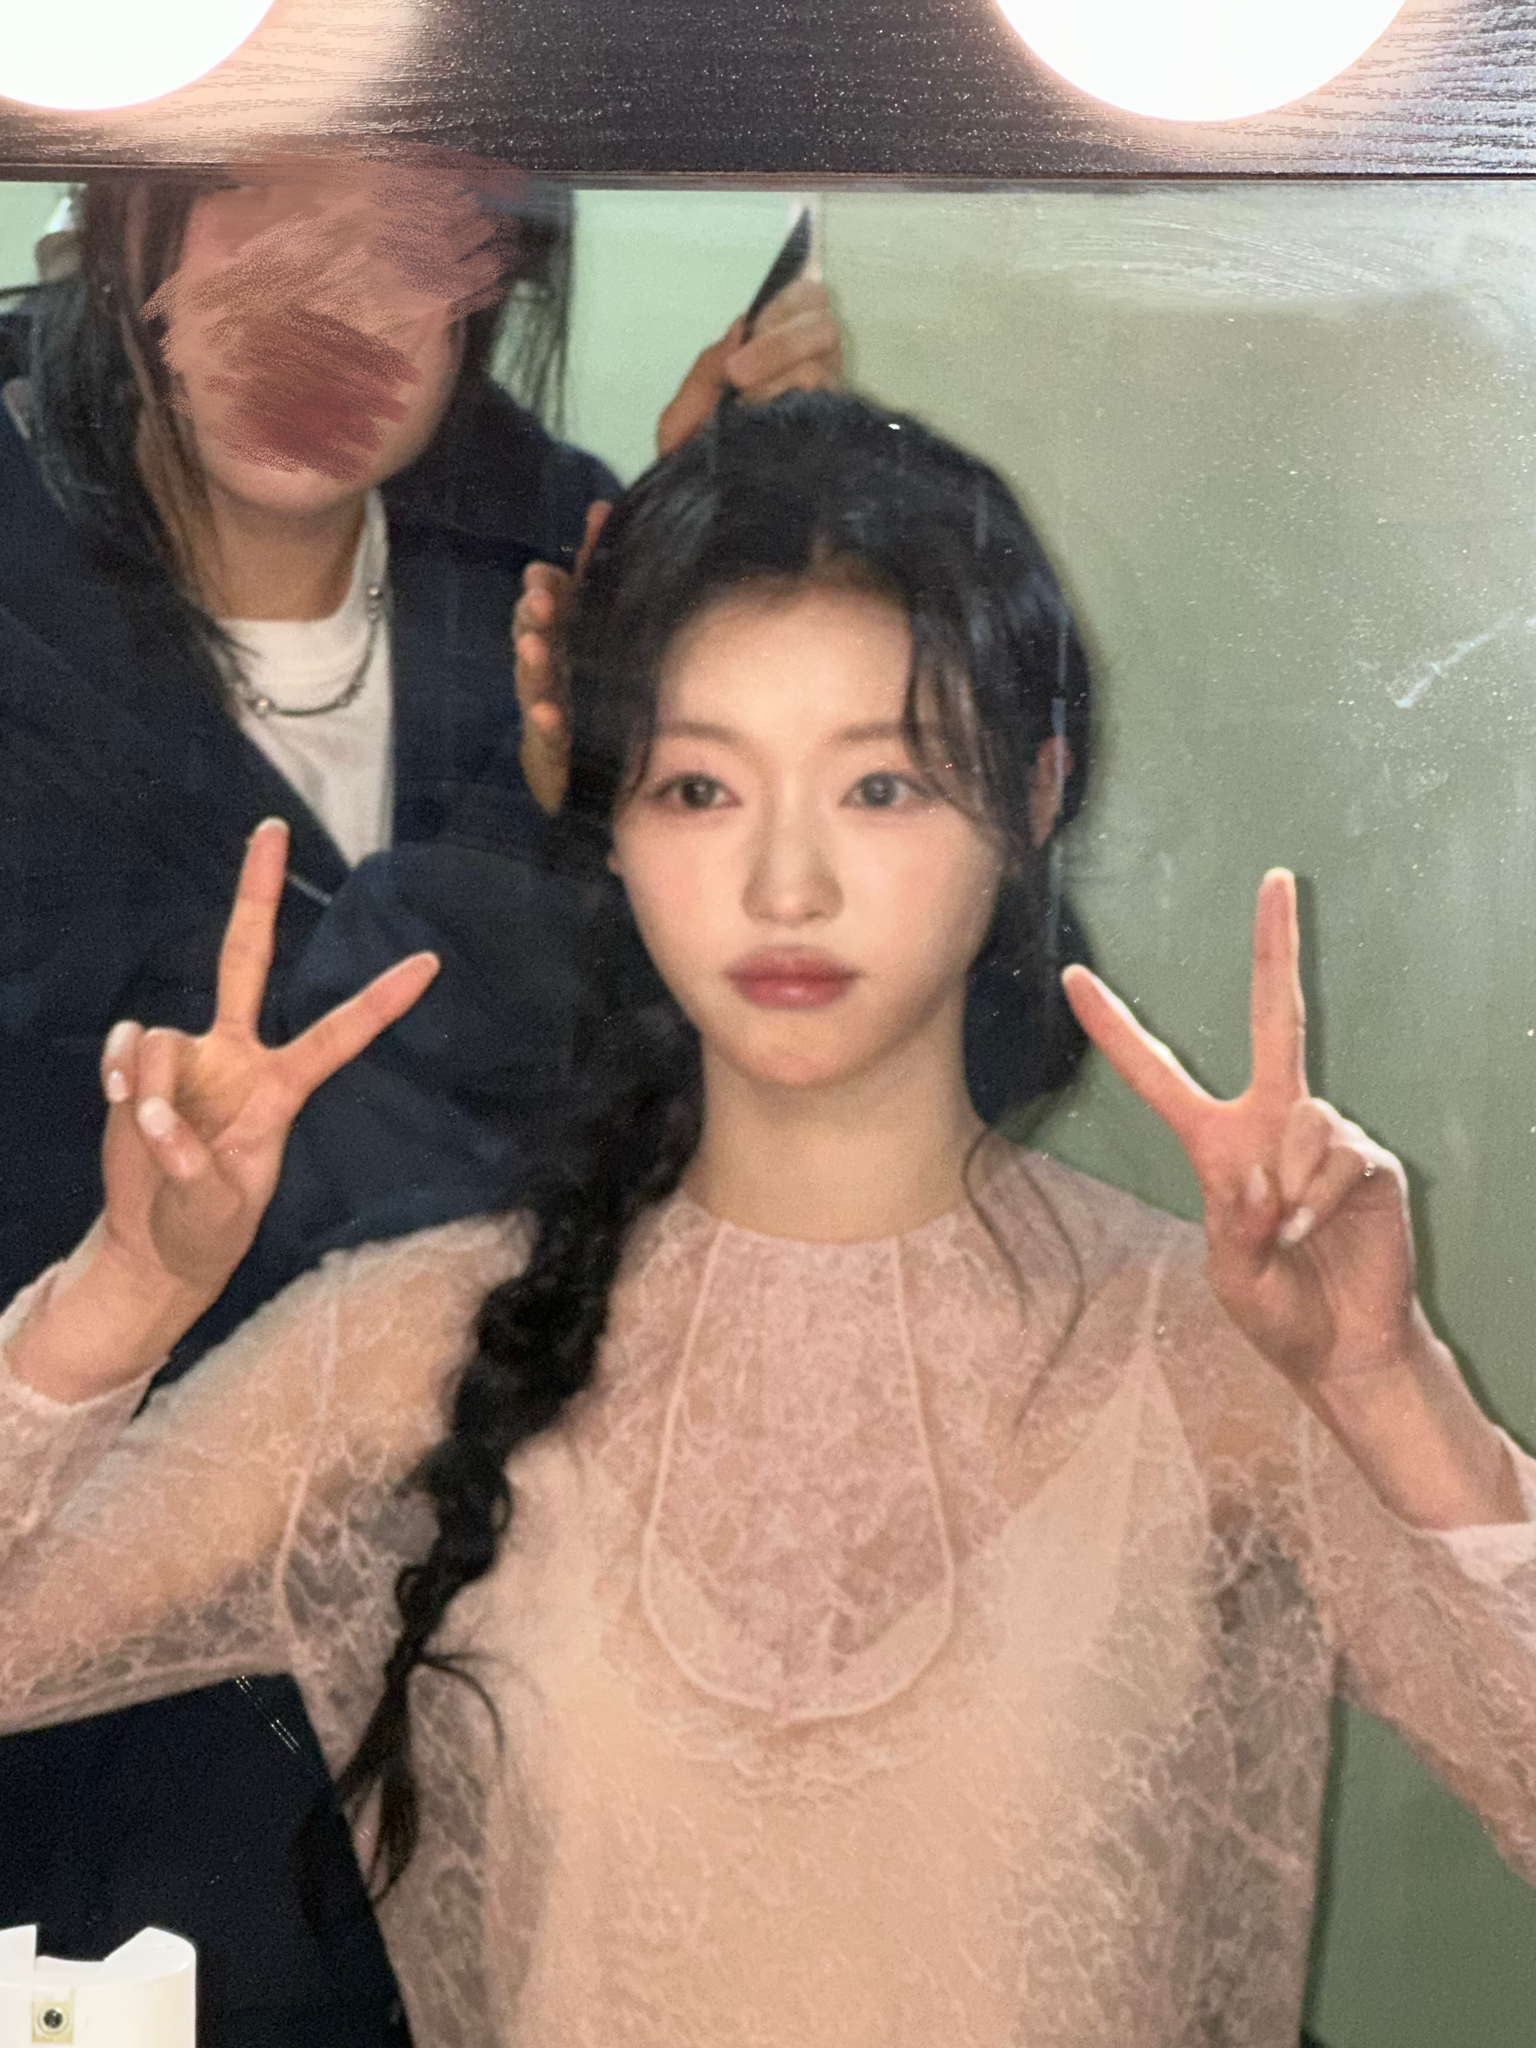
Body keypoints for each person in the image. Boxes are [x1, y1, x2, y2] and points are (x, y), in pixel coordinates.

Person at [3, 389, 1532, 2048]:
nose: (785, 886)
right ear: (612, 822)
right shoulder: (410, 1344)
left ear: (1034, 793)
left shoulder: (1215, 1359)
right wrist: (129, 1286)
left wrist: (1388, 1389)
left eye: (881, 787)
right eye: (698, 790)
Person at [0, 160, 841, 2046]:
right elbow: (236, 1180)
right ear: (127, 212)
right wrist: (541, 845)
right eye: (262, 199)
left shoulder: (563, 552)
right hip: (91, 1730)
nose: (323, 298)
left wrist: (753, 617)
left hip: (511, 1720)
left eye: (408, 227)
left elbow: (894, 1064)